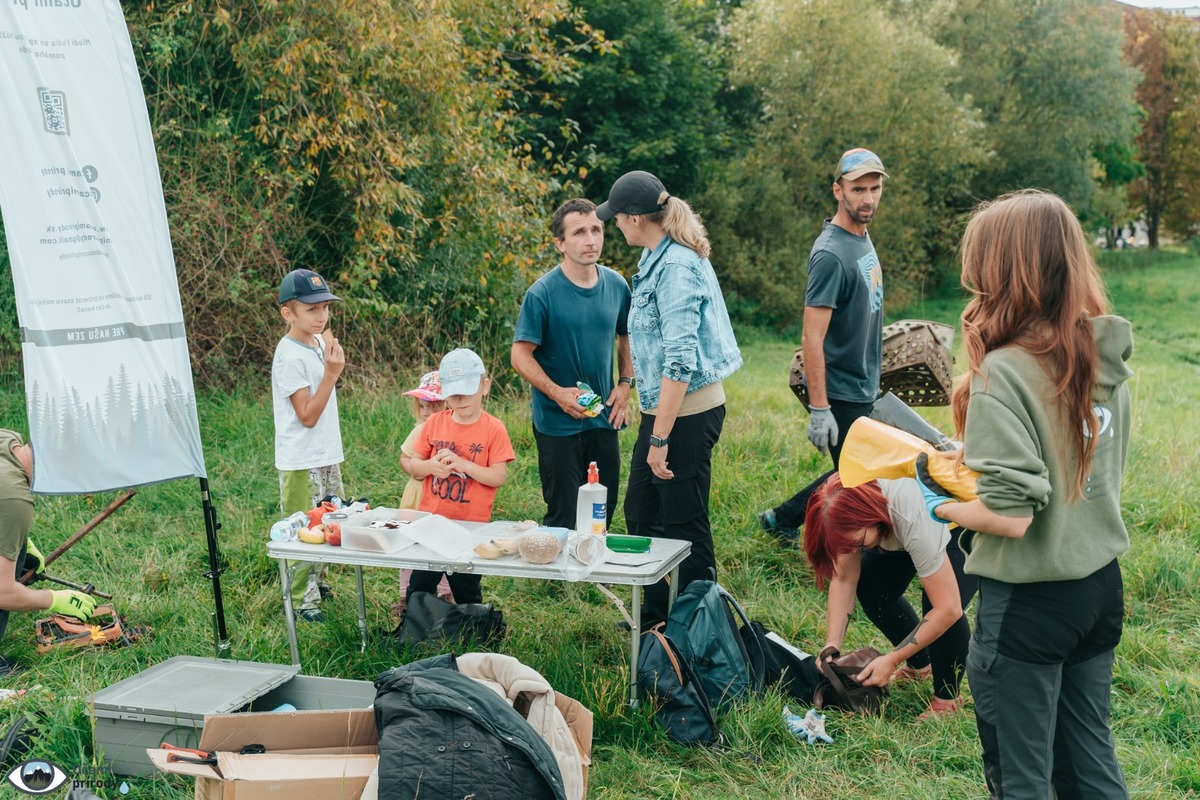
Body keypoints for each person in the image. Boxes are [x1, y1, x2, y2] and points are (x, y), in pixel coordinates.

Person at [923, 190, 1132, 798]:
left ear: (1002, 269)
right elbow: (1076, 457)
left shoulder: (1003, 373)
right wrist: (979, 460)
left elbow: (1010, 517)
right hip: (1098, 587)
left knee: (1022, 779)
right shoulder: (1104, 354)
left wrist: (942, 502)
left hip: (1030, 603)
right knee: (1089, 762)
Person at [595, 170, 742, 622]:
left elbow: (680, 361)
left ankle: (703, 625)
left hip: (687, 414)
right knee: (640, 510)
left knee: (684, 522)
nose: (614, 225)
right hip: (663, 411)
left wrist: (660, 439)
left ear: (636, 218)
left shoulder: (676, 266)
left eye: (616, 218)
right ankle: (657, 615)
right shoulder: (655, 258)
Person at [758, 148, 888, 546]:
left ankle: (782, 518)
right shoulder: (831, 253)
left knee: (855, 472)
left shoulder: (860, 237)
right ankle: (833, 550)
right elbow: (811, 335)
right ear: (838, 190)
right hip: (842, 388)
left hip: (865, 381)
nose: (868, 198)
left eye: (875, 188)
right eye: (858, 189)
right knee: (861, 478)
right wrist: (820, 410)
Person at [803, 474, 978, 718]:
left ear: (869, 518)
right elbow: (844, 579)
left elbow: (948, 609)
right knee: (872, 586)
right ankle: (920, 666)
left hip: (958, 520)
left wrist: (893, 659)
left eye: (858, 542)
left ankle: (947, 699)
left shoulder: (911, 515)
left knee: (937, 604)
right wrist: (832, 644)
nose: (854, 551)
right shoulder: (840, 507)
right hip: (892, 524)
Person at [511, 198, 633, 530]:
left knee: (602, 511)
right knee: (563, 513)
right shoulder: (543, 293)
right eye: (579, 232)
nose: (591, 239)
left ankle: (592, 574)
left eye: (596, 229)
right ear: (560, 244)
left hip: (603, 417)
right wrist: (557, 394)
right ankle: (557, 581)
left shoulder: (618, 285)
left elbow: (627, 335)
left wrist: (625, 384)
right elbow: (519, 355)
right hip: (557, 421)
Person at [406, 348, 515, 604]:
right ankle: (414, 628)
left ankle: (475, 633)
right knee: (420, 584)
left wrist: (465, 465)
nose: (460, 398)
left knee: (466, 588)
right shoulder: (434, 423)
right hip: (431, 523)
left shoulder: (494, 428)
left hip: (470, 527)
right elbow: (414, 464)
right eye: (453, 393)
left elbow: (498, 476)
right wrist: (431, 466)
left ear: (484, 386)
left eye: (468, 390)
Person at [271, 268, 346, 623]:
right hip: (302, 459)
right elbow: (306, 416)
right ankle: (301, 600)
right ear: (288, 313)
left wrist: (327, 358)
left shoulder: (317, 343)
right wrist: (332, 375)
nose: (321, 317)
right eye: (311, 310)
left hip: (326, 454)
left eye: (325, 308)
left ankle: (319, 584)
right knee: (304, 527)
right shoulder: (289, 356)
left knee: (330, 519)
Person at [0, 430, 98, 676]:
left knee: (16, 555)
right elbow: (2, 592)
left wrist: (23, 543)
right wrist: (56, 599)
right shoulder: (15, 501)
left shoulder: (7, 438)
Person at [395, 370, 451, 612]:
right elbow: (404, 457)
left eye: (433, 406)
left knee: (445, 543)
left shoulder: (454, 432)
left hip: (443, 499)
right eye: (422, 406)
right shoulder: (420, 430)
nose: (426, 413)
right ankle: (406, 596)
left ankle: (447, 593)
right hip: (417, 497)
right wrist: (417, 469)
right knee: (412, 545)